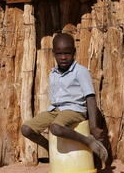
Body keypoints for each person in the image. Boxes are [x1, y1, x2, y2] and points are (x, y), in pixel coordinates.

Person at [20, 33, 108, 166]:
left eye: (67, 53)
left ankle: (87, 141)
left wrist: (94, 126)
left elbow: (90, 97)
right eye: (59, 53)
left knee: (56, 127)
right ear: (53, 53)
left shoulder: (80, 71)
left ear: (74, 52)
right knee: (26, 129)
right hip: (56, 110)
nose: (63, 57)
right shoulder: (53, 73)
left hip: (75, 110)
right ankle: (50, 149)